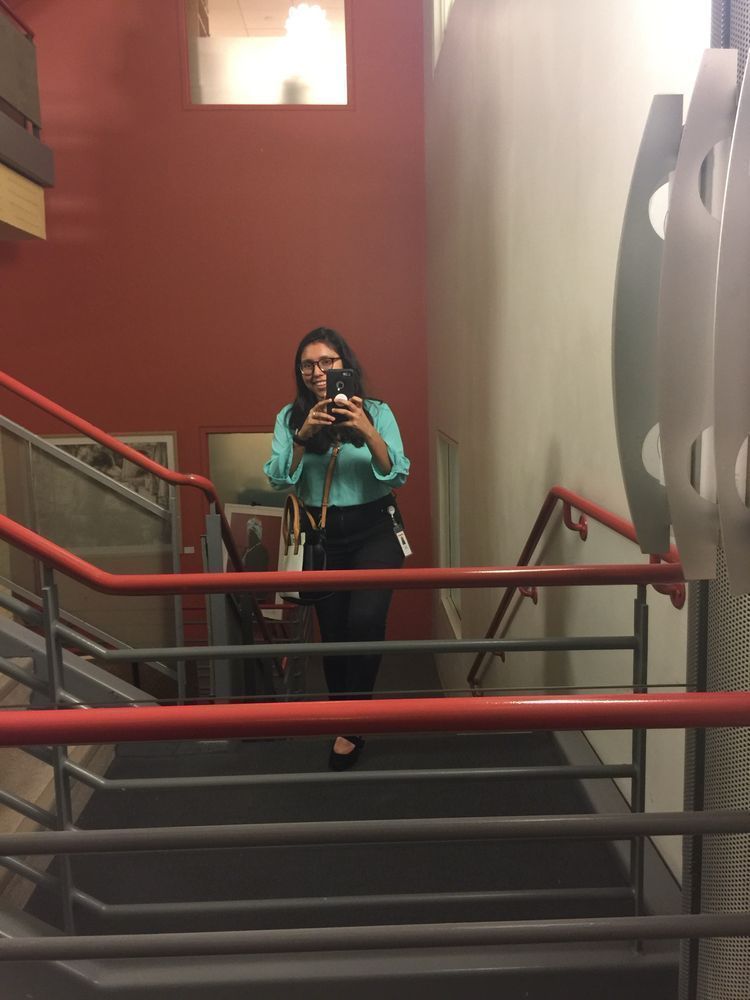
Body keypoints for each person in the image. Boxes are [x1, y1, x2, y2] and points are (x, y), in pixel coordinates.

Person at [264, 326, 410, 769]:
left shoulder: (378, 412)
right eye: (307, 364)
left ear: (345, 364)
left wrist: (366, 430)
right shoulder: (291, 418)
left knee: (366, 619)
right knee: (334, 632)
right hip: (322, 534)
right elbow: (277, 479)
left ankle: (353, 722)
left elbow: (397, 473)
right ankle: (342, 712)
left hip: (375, 531)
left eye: (327, 362)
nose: (317, 372)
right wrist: (303, 436)